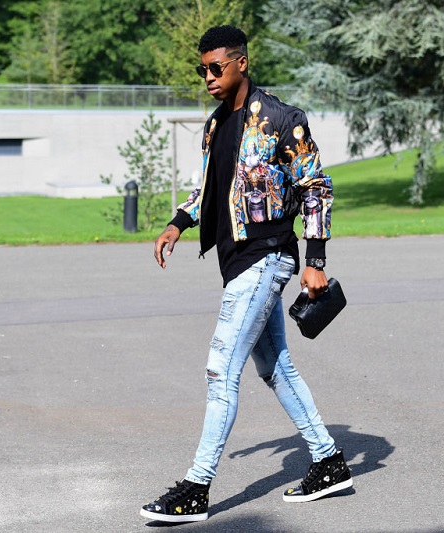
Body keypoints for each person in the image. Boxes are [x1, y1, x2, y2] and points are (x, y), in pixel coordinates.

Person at [140, 25, 353, 523]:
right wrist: (178, 222)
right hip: (237, 261)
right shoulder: (216, 125)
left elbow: (315, 188)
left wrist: (316, 262)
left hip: (266, 257)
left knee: (220, 370)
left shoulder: (281, 120)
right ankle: (328, 462)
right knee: (275, 367)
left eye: (216, 68)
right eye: (202, 70)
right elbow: (212, 188)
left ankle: (196, 488)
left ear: (241, 63)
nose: (208, 77)